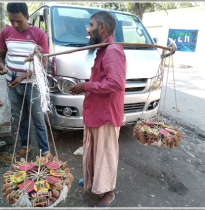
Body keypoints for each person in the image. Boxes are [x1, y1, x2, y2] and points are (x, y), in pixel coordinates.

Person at [69, 11, 126, 207]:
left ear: (101, 27)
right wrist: (86, 85)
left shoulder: (112, 51)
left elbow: (115, 84)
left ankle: (109, 194)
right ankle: (94, 182)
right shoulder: (103, 49)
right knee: (94, 151)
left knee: (105, 155)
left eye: (91, 25)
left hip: (106, 115)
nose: (89, 29)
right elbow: (103, 81)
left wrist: (85, 87)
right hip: (96, 112)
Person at [0, 3, 50, 157]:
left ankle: (45, 151)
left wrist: (23, 77)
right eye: (12, 21)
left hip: (32, 84)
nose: (15, 25)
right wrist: (1, 66)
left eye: (19, 21)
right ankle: (25, 145)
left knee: (38, 118)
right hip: (12, 83)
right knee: (20, 117)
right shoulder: (6, 32)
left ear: (27, 17)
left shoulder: (39, 34)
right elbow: (0, 56)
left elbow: (43, 65)